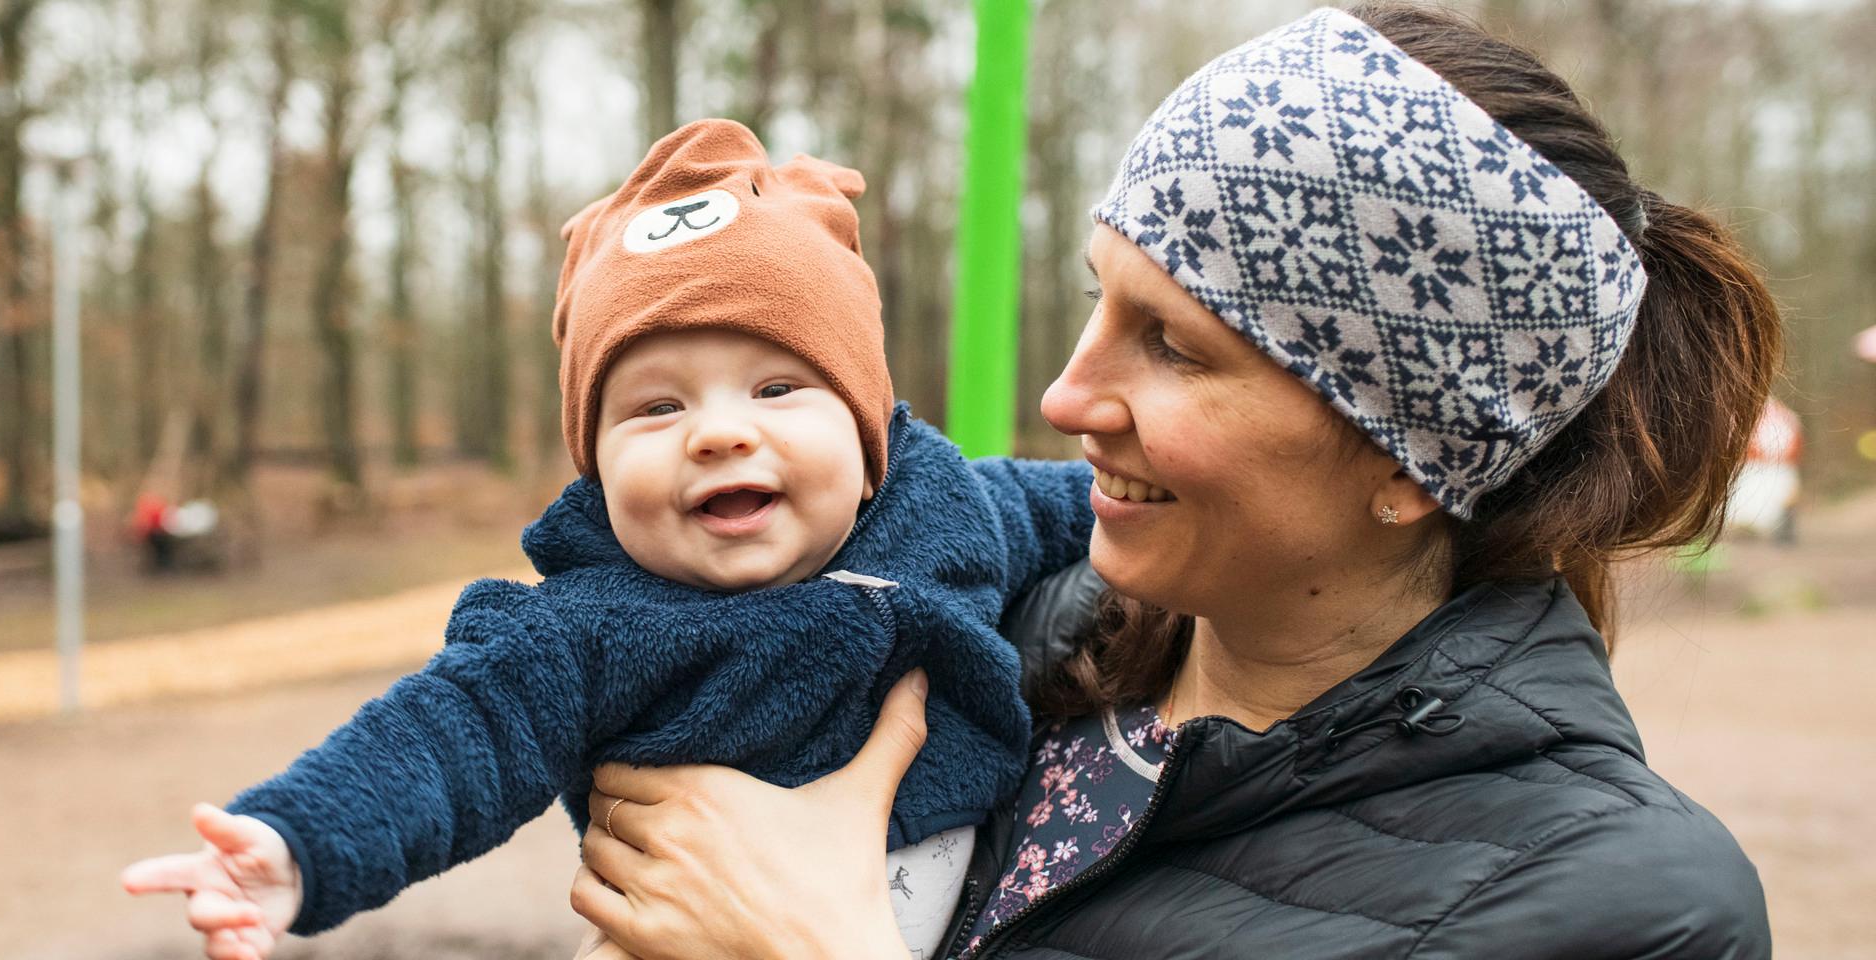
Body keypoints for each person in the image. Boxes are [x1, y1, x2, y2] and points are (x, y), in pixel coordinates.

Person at [567, 5, 1779, 958]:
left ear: (1410, 461)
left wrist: (819, 946)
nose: (1066, 398)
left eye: (1175, 347)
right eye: (1104, 302)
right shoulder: (984, 623)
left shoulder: (1613, 904)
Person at [119, 119, 1094, 960]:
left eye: (776, 388)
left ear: (868, 429)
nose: (717, 432)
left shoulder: (957, 506)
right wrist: (294, 846)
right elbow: (450, 733)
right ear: (593, 465)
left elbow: (1120, 504)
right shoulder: (593, 626)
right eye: (656, 405)